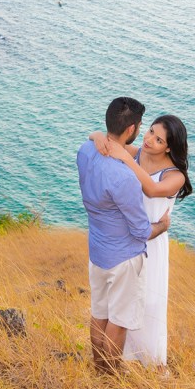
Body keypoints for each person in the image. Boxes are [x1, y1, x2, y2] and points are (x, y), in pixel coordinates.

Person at [90, 115, 193, 367]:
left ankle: (146, 361)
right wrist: (98, 136)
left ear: (169, 147)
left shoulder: (175, 175)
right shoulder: (136, 153)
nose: (149, 140)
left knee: (148, 302)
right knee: (119, 304)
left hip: (151, 243)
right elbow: (98, 138)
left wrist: (125, 157)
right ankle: (116, 359)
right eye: (150, 132)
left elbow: (152, 189)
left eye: (159, 140)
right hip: (125, 239)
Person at [78, 96, 170, 374]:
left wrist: (96, 136)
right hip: (124, 259)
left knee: (99, 315)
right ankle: (111, 376)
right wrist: (162, 227)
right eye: (142, 126)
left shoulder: (85, 151)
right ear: (131, 130)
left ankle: (99, 370)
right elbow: (141, 230)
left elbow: (93, 138)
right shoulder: (124, 177)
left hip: (97, 251)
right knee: (117, 321)